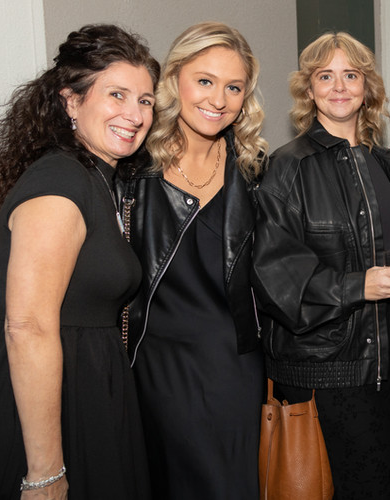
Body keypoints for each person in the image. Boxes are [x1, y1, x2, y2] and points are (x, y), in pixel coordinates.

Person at [0, 24, 158, 499]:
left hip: (83, 396)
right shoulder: (62, 179)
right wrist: (44, 474)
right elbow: (29, 328)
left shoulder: (94, 177)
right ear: (71, 101)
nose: (135, 113)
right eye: (117, 94)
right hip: (40, 419)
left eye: (145, 100)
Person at [251, 31, 390, 499]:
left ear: (367, 87)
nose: (339, 86)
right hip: (322, 372)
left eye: (351, 75)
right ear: (308, 90)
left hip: (384, 365)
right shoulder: (287, 167)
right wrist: (358, 286)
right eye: (324, 76)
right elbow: (274, 278)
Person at [119, 22, 267, 499]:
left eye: (233, 87)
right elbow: (80, 254)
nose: (218, 99)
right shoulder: (131, 168)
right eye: (204, 81)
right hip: (154, 368)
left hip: (234, 369)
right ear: (174, 81)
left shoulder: (257, 171)